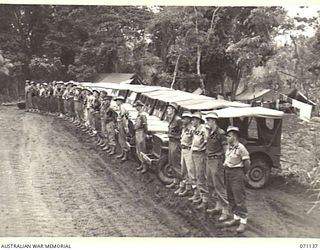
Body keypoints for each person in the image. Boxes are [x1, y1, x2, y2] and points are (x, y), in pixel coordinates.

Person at [220, 126, 250, 234]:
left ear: (234, 136)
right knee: (231, 196)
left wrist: (243, 173)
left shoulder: (241, 148)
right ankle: (236, 217)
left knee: (239, 197)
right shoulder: (229, 147)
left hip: (237, 173)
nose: (227, 138)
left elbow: (247, 163)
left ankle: (243, 221)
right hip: (228, 172)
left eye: (229, 136)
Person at [204, 112, 229, 222]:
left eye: (209, 120)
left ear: (213, 121)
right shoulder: (210, 132)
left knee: (219, 185)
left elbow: (225, 149)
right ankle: (218, 206)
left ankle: (225, 210)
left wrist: (225, 162)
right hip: (210, 160)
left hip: (217, 160)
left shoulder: (221, 133)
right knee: (211, 184)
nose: (207, 122)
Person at [189, 112, 209, 210]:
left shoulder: (203, 129)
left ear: (198, 120)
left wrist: (201, 148)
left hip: (200, 154)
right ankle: (198, 195)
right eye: (192, 119)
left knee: (200, 176)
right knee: (194, 174)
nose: (192, 121)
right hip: (194, 152)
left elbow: (206, 142)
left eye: (194, 119)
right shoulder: (195, 129)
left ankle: (204, 199)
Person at [174, 111, 195, 197]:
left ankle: (189, 189)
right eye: (183, 118)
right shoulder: (184, 128)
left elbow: (194, 141)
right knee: (183, 170)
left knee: (190, 170)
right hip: (183, 149)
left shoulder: (192, 129)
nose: (183, 120)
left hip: (189, 150)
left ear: (189, 119)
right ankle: (183, 186)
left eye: (185, 118)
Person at [165, 102, 183, 189]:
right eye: (168, 108)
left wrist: (177, 137)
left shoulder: (178, 119)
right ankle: (175, 181)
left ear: (174, 110)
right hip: (171, 142)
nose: (167, 110)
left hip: (176, 142)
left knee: (176, 164)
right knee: (171, 163)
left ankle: (181, 184)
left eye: (169, 108)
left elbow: (183, 131)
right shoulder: (170, 118)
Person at [133, 100, 148, 174]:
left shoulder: (143, 115)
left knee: (142, 149)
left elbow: (145, 125)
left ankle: (145, 166)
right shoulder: (139, 114)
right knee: (138, 149)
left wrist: (145, 133)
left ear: (140, 106)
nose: (136, 108)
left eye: (137, 106)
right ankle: (141, 164)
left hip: (141, 132)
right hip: (137, 131)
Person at [114, 96, 130, 162]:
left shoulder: (122, 107)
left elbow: (123, 118)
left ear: (120, 101)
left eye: (117, 101)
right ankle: (122, 153)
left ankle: (126, 155)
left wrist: (125, 127)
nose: (116, 102)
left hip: (122, 124)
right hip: (120, 124)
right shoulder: (120, 107)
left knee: (123, 140)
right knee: (120, 140)